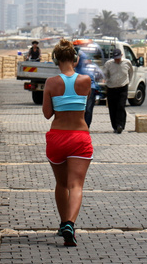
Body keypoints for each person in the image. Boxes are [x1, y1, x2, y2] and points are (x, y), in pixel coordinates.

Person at [42, 39, 93, 247]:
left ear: (55, 60)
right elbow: (83, 104)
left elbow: (47, 114)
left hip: (57, 138)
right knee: (76, 185)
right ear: (76, 58)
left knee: (61, 184)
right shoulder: (86, 80)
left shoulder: (51, 83)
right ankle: (70, 224)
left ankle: (63, 222)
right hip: (80, 137)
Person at [103, 48, 133, 134]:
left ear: (121, 56)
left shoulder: (127, 63)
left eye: (118, 58)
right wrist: (108, 81)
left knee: (121, 106)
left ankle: (120, 125)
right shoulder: (109, 64)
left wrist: (128, 82)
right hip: (111, 88)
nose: (117, 60)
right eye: (115, 58)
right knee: (112, 108)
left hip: (122, 87)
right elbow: (105, 74)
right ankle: (115, 126)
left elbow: (131, 73)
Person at [74, 48, 104, 128]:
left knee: (87, 108)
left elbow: (101, 76)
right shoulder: (81, 59)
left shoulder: (80, 55)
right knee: (84, 108)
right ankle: (83, 126)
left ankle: (85, 126)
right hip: (82, 86)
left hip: (89, 86)